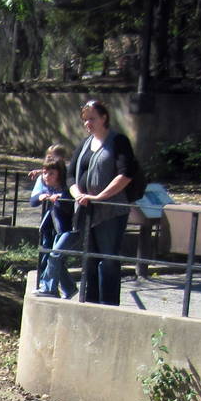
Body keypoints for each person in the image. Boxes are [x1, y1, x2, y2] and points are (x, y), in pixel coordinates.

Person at [68, 99, 135, 306]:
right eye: (85, 120)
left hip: (110, 211)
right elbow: (70, 175)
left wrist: (100, 197)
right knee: (89, 259)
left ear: (104, 118)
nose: (88, 123)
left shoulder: (118, 141)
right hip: (87, 210)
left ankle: (108, 305)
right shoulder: (84, 144)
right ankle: (90, 302)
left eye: (92, 119)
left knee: (108, 259)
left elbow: (126, 174)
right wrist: (78, 193)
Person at [31, 154, 76, 298]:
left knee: (55, 256)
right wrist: (41, 197)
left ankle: (49, 288)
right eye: (44, 173)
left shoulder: (67, 189)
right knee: (56, 259)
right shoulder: (49, 189)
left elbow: (67, 206)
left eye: (51, 174)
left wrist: (56, 200)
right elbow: (33, 201)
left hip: (71, 231)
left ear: (59, 174)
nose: (46, 176)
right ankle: (69, 288)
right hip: (58, 231)